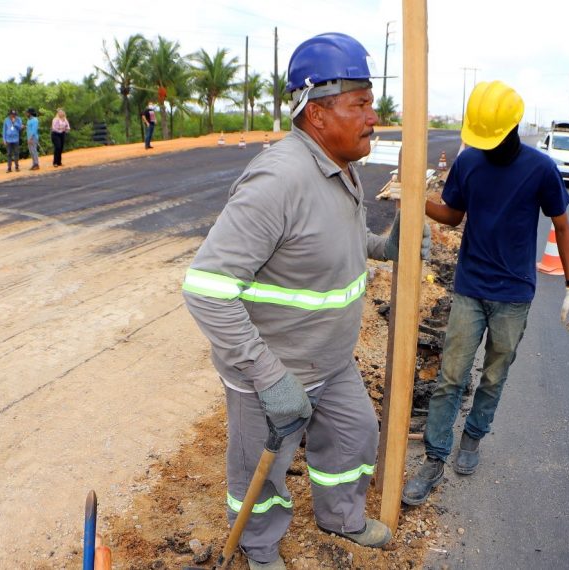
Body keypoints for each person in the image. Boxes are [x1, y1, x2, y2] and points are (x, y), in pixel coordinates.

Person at [182, 32, 430, 570]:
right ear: (317, 113)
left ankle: (340, 515)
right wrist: (268, 378)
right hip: (270, 368)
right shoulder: (279, 179)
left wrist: (382, 248)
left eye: (372, 103)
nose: (374, 117)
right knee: (261, 472)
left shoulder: (344, 166)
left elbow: (326, 243)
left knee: (354, 435)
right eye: (360, 104)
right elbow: (206, 288)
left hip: (329, 360)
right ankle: (258, 547)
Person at [400, 80, 569, 506]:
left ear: (513, 127)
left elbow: (562, 227)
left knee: (495, 374)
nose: (488, 146)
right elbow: (452, 216)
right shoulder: (469, 164)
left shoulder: (540, 169)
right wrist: (417, 198)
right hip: (470, 287)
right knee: (450, 376)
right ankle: (434, 458)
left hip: (514, 295)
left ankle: (473, 438)